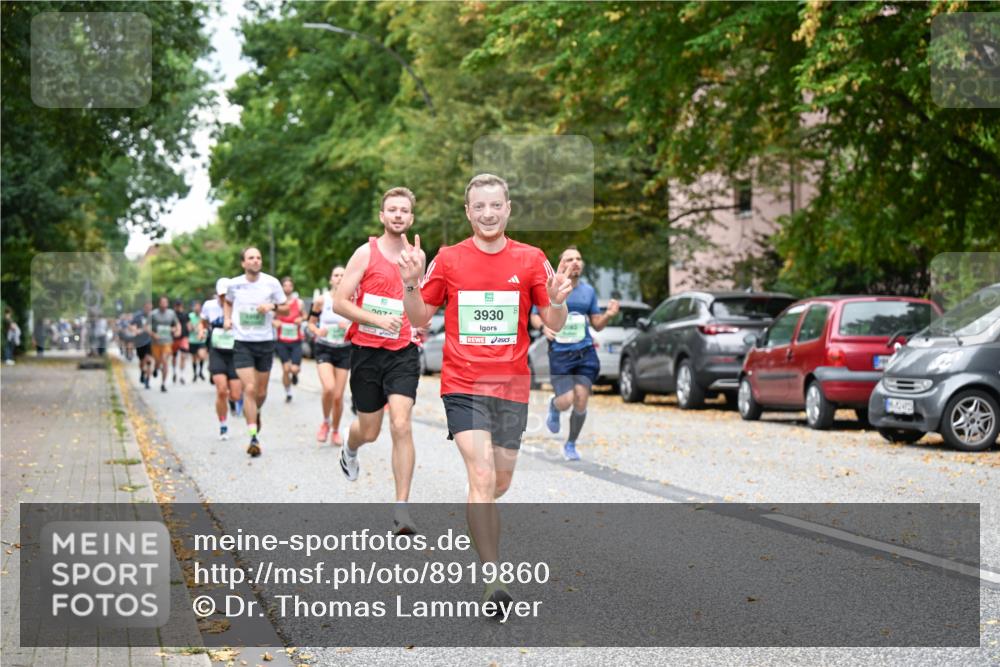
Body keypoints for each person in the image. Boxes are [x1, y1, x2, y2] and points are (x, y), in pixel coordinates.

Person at [397, 173, 572, 609]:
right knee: (481, 475)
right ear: (468, 212)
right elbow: (419, 316)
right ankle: (493, 580)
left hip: (511, 384)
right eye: (479, 207)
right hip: (463, 384)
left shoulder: (531, 259)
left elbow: (554, 323)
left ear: (508, 208)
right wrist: (411, 283)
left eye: (496, 205)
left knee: (500, 481)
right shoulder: (450, 258)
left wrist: (558, 300)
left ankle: (479, 517)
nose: (488, 214)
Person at [334, 186, 421, 535]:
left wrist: (419, 310)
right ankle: (349, 446)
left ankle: (402, 510)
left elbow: (416, 301)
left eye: (404, 210)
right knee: (369, 431)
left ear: (411, 218)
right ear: (382, 216)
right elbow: (340, 303)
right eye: (392, 210)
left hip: (403, 351)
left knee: (401, 423)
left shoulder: (417, 255)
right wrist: (375, 320)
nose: (398, 215)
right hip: (367, 352)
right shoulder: (364, 253)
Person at [529, 246, 619, 461]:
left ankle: (571, 443)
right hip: (560, 353)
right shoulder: (550, 287)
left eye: (578, 258)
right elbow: (535, 316)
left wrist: (608, 315)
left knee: (581, 399)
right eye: (569, 259)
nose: (575, 262)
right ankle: (554, 405)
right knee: (566, 399)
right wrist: (543, 328)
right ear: (561, 263)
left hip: (584, 352)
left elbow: (596, 324)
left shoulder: (588, 291)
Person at [224, 247, 288, 457]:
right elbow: (228, 301)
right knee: (249, 388)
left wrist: (271, 306)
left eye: (258, 257)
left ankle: (256, 411)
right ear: (243, 263)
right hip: (243, 342)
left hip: (265, 343)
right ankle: (253, 436)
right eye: (251, 258)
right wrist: (227, 318)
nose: (255, 260)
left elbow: (285, 307)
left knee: (261, 393)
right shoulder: (234, 284)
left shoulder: (271, 283)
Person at [307, 266, 352, 446]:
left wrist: (348, 328)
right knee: (329, 388)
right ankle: (325, 422)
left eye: (343, 275)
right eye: (336, 275)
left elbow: (359, 324)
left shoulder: (352, 300)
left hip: (344, 349)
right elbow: (310, 324)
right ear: (331, 279)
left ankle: (335, 430)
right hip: (324, 348)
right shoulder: (321, 301)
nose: (340, 278)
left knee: (338, 396)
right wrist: (318, 330)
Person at [202, 278, 243, 440]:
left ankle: (233, 402)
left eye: (226, 295)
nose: (224, 298)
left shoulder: (239, 307)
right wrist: (202, 331)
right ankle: (223, 426)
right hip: (217, 351)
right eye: (221, 295)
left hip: (235, 353)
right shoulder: (209, 306)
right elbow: (203, 322)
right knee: (221, 391)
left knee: (236, 394)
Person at [273, 276, 305, 403]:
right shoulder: (277, 303)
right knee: (286, 369)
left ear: (292, 287)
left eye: (289, 285)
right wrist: (275, 322)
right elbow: (271, 317)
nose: (287, 288)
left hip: (296, 340)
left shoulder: (299, 302)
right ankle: (288, 392)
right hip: (282, 341)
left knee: (294, 368)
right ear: (281, 287)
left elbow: (305, 316)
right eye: (285, 285)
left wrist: (301, 319)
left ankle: (295, 374)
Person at [150, 296, 180, 392]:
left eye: (165, 302)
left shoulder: (171, 313)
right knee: (158, 361)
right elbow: (146, 327)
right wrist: (153, 334)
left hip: (167, 341)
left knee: (165, 361)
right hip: (156, 342)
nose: (164, 304)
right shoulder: (153, 314)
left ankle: (163, 384)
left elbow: (177, 324)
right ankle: (156, 368)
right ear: (159, 303)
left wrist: (177, 330)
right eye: (162, 302)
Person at [130, 302, 155, 389]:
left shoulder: (154, 316)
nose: (149, 308)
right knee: (142, 361)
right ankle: (142, 372)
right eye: (147, 306)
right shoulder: (138, 316)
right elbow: (132, 326)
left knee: (148, 360)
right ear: (144, 307)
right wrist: (136, 330)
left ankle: (147, 381)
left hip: (150, 341)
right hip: (140, 341)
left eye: (150, 306)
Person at [171, 298, 191, 384]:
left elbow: (188, 325)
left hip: (184, 337)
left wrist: (190, 331)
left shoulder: (185, 314)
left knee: (183, 356)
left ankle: (181, 375)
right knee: (174, 356)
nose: (178, 307)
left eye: (179, 305)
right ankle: (174, 371)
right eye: (177, 305)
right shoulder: (172, 315)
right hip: (174, 338)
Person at [188, 300, 207, 382]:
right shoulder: (190, 316)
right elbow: (189, 328)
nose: (197, 308)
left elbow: (206, 326)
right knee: (194, 358)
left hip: (202, 340)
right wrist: (193, 327)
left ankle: (200, 371)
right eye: (196, 306)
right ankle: (195, 373)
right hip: (192, 340)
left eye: (199, 307)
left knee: (202, 356)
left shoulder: (203, 316)